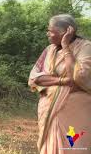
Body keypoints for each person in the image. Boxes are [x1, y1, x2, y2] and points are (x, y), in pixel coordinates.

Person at [28, 14, 91, 153]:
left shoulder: (85, 47)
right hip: (48, 106)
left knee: (74, 146)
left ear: (66, 32)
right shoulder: (49, 50)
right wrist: (63, 81)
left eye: (51, 31)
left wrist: (66, 47)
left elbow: (79, 75)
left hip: (76, 110)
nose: (47, 34)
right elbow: (34, 77)